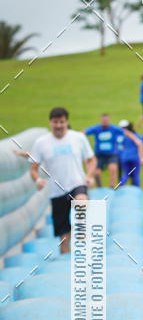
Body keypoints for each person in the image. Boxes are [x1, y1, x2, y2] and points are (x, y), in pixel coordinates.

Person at [29, 107, 96, 254]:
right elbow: (33, 169)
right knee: (64, 239)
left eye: (61, 122)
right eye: (55, 122)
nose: (58, 125)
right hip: (56, 191)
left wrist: (89, 175)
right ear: (50, 123)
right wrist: (38, 180)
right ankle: (65, 264)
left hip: (77, 183)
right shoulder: (41, 143)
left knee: (81, 201)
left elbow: (91, 159)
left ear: (66, 122)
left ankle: (82, 230)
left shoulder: (78, 138)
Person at [85, 114, 122, 187]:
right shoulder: (97, 128)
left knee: (113, 168)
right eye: (103, 121)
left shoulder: (113, 128)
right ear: (100, 121)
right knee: (97, 172)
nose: (105, 122)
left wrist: (135, 139)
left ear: (109, 121)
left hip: (111, 154)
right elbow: (84, 132)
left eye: (106, 121)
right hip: (99, 154)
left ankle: (112, 186)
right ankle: (99, 187)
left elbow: (125, 132)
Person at [117, 120, 143, 187]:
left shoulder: (120, 136)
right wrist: (141, 157)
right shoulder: (135, 135)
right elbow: (141, 145)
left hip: (124, 157)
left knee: (126, 174)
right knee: (135, 175)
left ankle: (121, 187)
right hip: (134, 157)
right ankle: (137, 189)